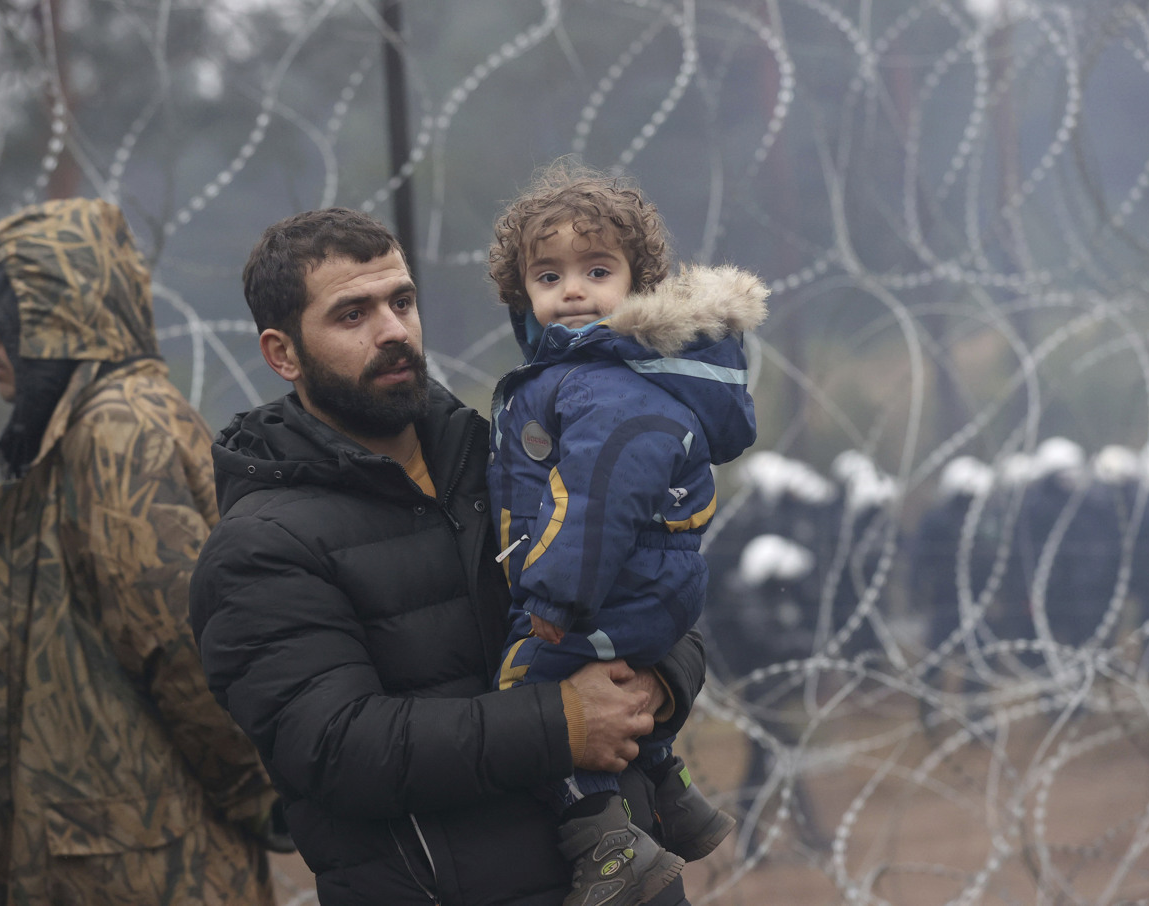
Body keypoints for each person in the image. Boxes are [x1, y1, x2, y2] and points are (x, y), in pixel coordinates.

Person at [188, 206, 707, 905]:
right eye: (352, 315)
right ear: (283, 354)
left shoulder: (508, 456)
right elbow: (338, 748)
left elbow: (653, 586)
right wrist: (564, 724)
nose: (393, 330)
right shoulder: (261, 548)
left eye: (401, 301)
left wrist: (657, 686)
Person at [0, 198, 285, 906]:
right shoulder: (73, 429)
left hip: (152, 871)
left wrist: (256, 794)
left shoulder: (120, 431)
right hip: (104, 860)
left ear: (63, 314)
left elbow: (185, 648)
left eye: (5, 312)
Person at [484, 161, 767, 904]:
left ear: (640, 287)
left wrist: (549, 597)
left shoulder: (604, 384)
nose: (571, 290)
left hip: (603, 591)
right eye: (548, 277)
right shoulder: (604, 373)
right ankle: (667, 788)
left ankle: (605, 842)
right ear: (524, 296)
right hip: (644, 591)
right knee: (606, 690)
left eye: (596, 270)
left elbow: (594, 503)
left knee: (527, 697)